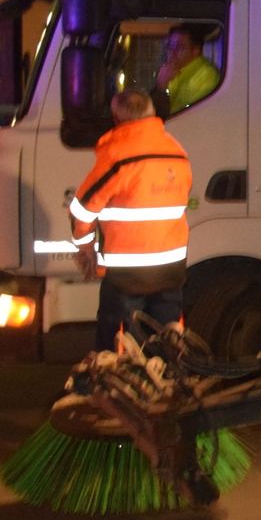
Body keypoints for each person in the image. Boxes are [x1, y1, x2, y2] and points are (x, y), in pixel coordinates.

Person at [71, 88, 194, 351]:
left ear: (116, 119)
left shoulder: (118, 157)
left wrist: (84, 246)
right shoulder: (177, 152)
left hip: (127, 275)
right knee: (167, 342)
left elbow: (82, 209)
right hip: (171, 269)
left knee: (119, 347)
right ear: (152, 115)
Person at [156, 23, 220, 114]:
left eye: (179, 47)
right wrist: (161, 87)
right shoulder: (172, 70)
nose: (172, 52)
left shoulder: (206, 76)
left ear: (195, 51)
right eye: (170, 46)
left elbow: (190, 115)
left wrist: (161, 87)